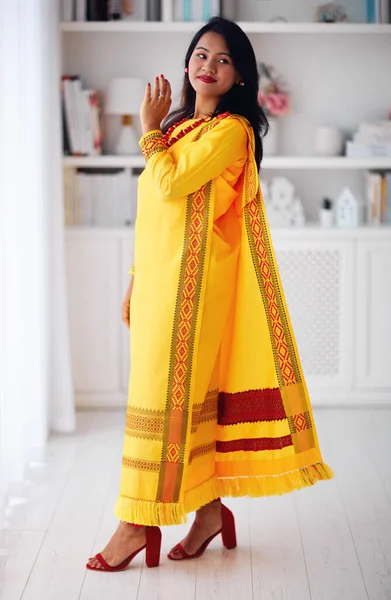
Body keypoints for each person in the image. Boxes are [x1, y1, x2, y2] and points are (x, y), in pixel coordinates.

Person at [87, 16, 333, 572]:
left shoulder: (230, 133)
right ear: (188, 62)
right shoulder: (176, 132)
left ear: (240, 76)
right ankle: (208, 511)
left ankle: (135, 524)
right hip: (158, 287)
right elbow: (155, 214)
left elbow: (173, 183)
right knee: (178, 404)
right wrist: (133, 279)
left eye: (223, 59)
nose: (209, 65)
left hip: (193, 294)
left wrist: (149, 130)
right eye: (202, 54)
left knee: (164, 402)